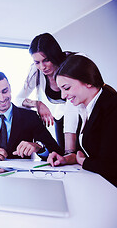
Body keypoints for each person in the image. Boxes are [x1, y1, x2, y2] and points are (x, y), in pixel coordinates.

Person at [47, 55, 117, 187]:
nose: (63, 96)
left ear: (88, 82)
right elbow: (96, 152)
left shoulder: (112, 106)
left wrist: (83, 162)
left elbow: (110, 165)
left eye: (66, 88)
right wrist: (69, 159)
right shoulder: (85, 108)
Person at [15, 33, 79, 157]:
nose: (42, 67)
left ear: (54, 55)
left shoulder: (71, 62)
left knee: (78, 156)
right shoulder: (36, 71)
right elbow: (18, 99)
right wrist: (37, 104)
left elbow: (72, 108)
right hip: (61, 119)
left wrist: (69, 152)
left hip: (80, 115)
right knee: (61, 156)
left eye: (46, 60)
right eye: (37, 62)